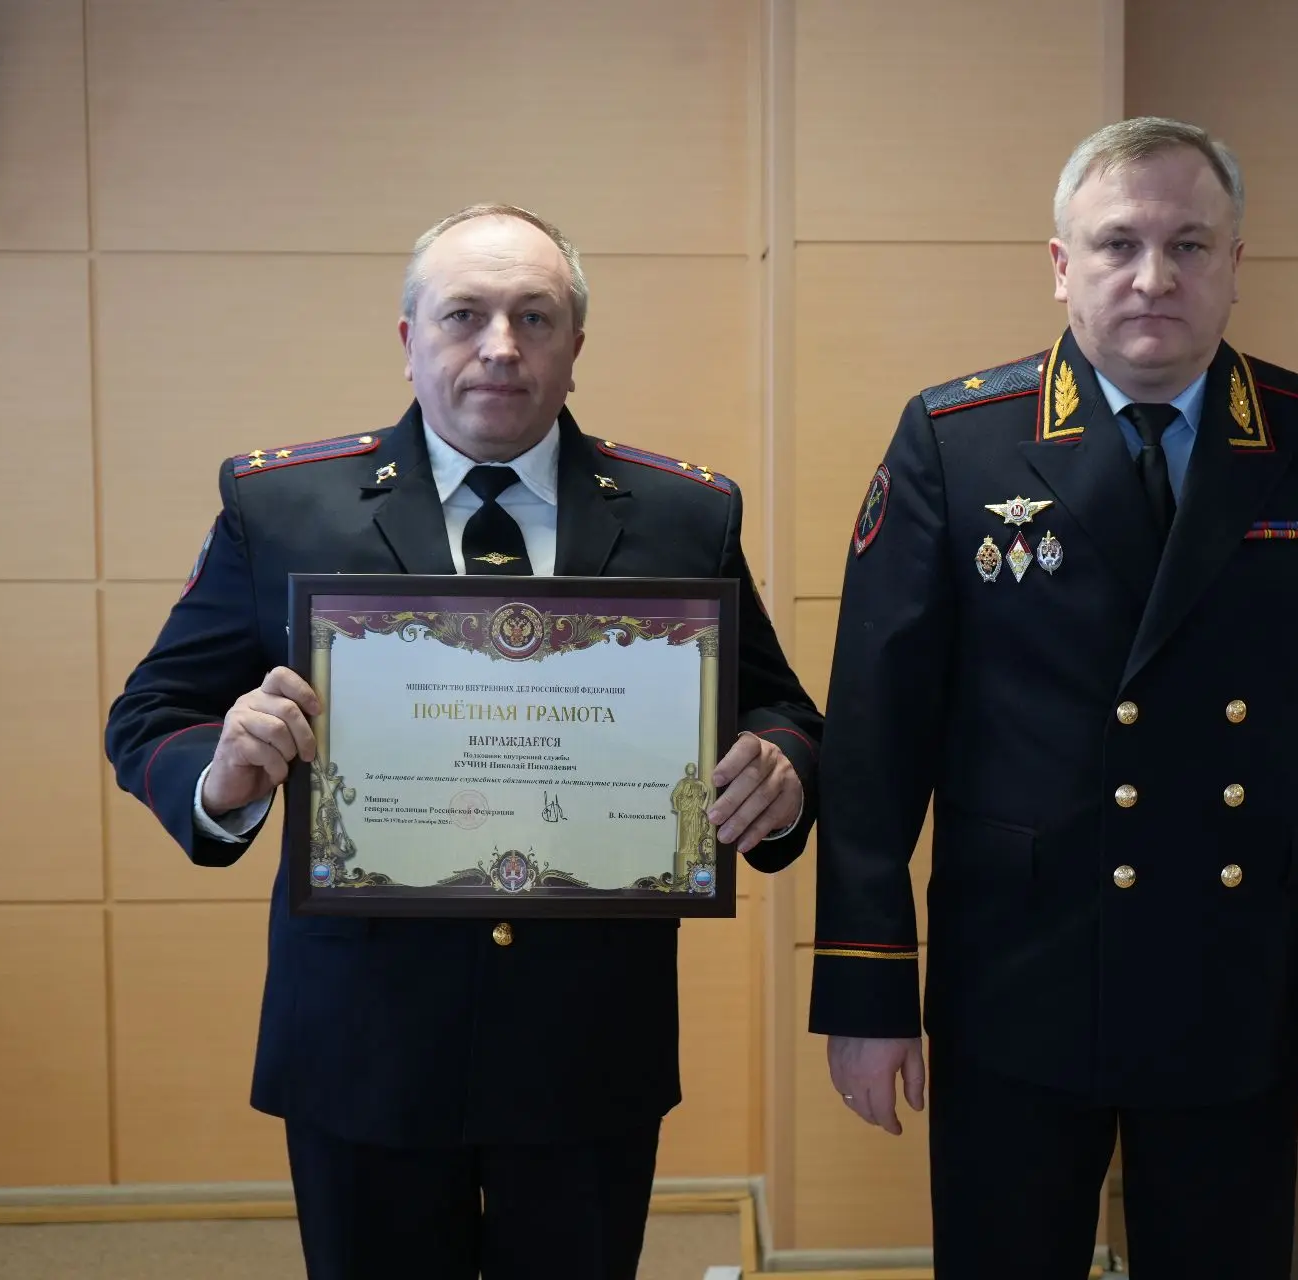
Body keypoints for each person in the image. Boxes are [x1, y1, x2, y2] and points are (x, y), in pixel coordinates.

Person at [105, 203, 822, 1280]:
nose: (501, 346)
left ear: (576, 345)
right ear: (409, 339)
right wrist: (225, 773)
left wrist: (781, 771)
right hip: (364, 1041)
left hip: (589, 1040)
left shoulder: (684, 512)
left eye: (535, 317)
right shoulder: (283, 505)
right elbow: (151, 713)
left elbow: (781, 713)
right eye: (465, 315)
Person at [808, 117, 1298, 1278]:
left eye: (1189, 245)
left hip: (1232, 974)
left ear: (1235, 264)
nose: (1154, 277)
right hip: (1015, 973)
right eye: (1118, 244)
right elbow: (874, 740)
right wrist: (866, 981)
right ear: (1062, 265)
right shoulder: (958, 440)